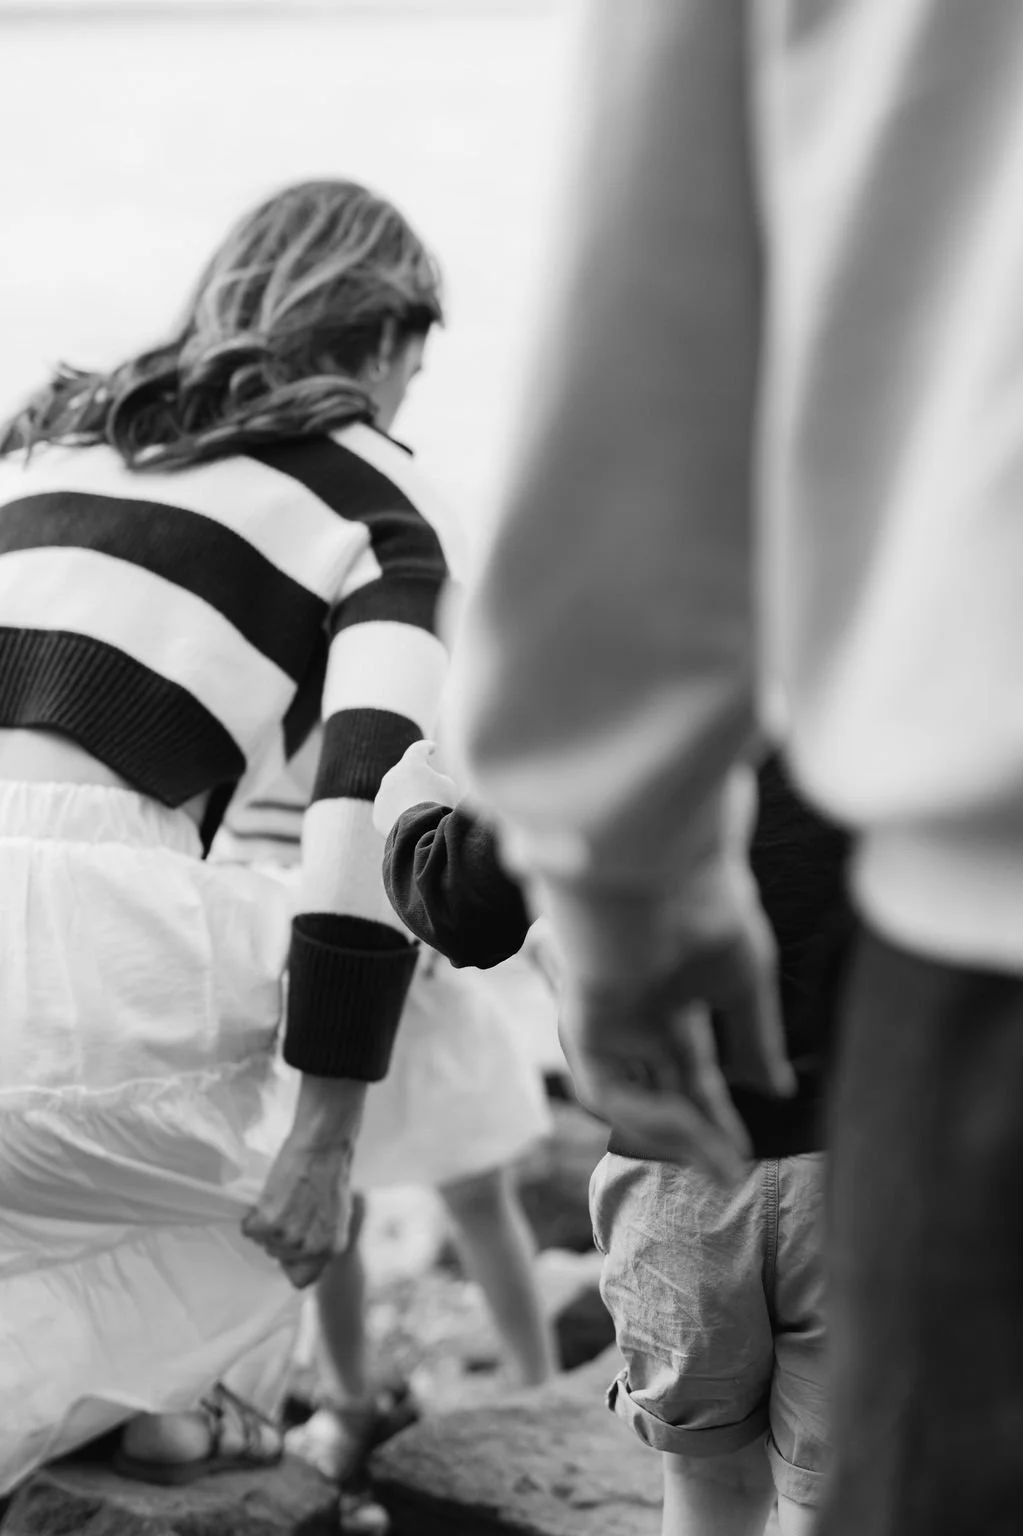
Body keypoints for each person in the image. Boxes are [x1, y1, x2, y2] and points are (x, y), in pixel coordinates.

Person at [449, 2, 1023, 1531]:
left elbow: (651, 329)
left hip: (930, 977)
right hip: (850, 1128)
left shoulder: (808, 684)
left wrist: (607, 872)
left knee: (724, 1479)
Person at [0, 178, 450, 1492]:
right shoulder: (375, 498)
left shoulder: (34, 449)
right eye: (417, 359)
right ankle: (171, 1411)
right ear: (383, 339)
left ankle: (140, 1418)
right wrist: (327, 1131)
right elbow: (367, 807)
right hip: (90, 977)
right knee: (290, 1208)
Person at [380, 739, 852, 1535]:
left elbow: (462, 907)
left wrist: (405, 813)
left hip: (673, 1180)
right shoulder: (881, 693)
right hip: (858, 1171)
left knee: (710, 1489)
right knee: (827, 1495)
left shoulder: (619, 703)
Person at [211, 731, 557, 1495]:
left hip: (424, 977)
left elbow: (452, 776)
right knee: (339, 1206)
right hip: (319, 972)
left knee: (478, 1192)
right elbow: (241, 829)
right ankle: (347, 1396)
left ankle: (538, 1383)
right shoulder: (269, 726)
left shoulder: (403, 678)